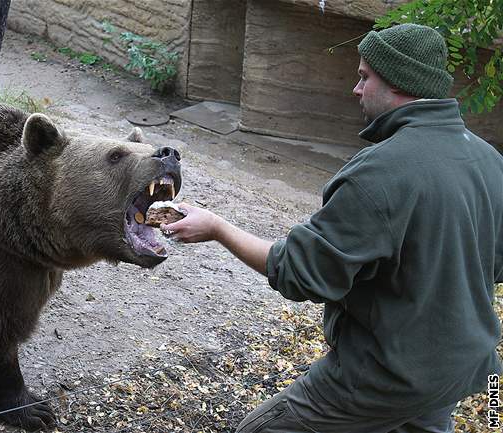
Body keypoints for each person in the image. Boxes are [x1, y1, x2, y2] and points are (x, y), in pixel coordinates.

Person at [163, 23, 503, 432]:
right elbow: (492, 267)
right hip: (458, 370)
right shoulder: (489, 161)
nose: (355, 89)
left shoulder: (381, 172)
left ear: (397, 81)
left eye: (364, 77)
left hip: (384, 378)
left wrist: (217, 227)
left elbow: (298, 273)